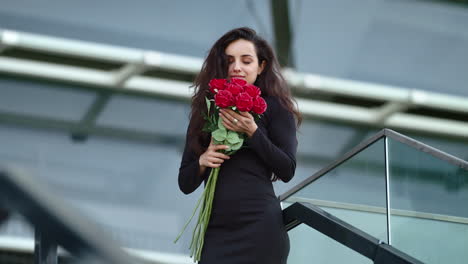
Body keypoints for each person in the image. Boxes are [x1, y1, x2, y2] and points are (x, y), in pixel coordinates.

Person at [178, 27, 301, 264]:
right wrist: (203, 161)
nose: (237, 67)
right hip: (216, 230)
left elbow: (287, 169)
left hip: (260, 227)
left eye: (246, 61)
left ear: (261, 66)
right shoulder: (206, 110)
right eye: (229, 61)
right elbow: (185, 183)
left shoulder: (275, 107)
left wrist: (252, 132)